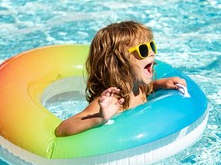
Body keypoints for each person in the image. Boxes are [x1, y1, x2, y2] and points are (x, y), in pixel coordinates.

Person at [55, 21, 186, 137]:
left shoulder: (139, 89)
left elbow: (147, 89)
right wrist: (98, 118)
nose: (152, 52)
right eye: (143, 49)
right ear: (118, 64)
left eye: (151, 45)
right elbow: (62, 129)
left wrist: (160, 84)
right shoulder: (114, 100)